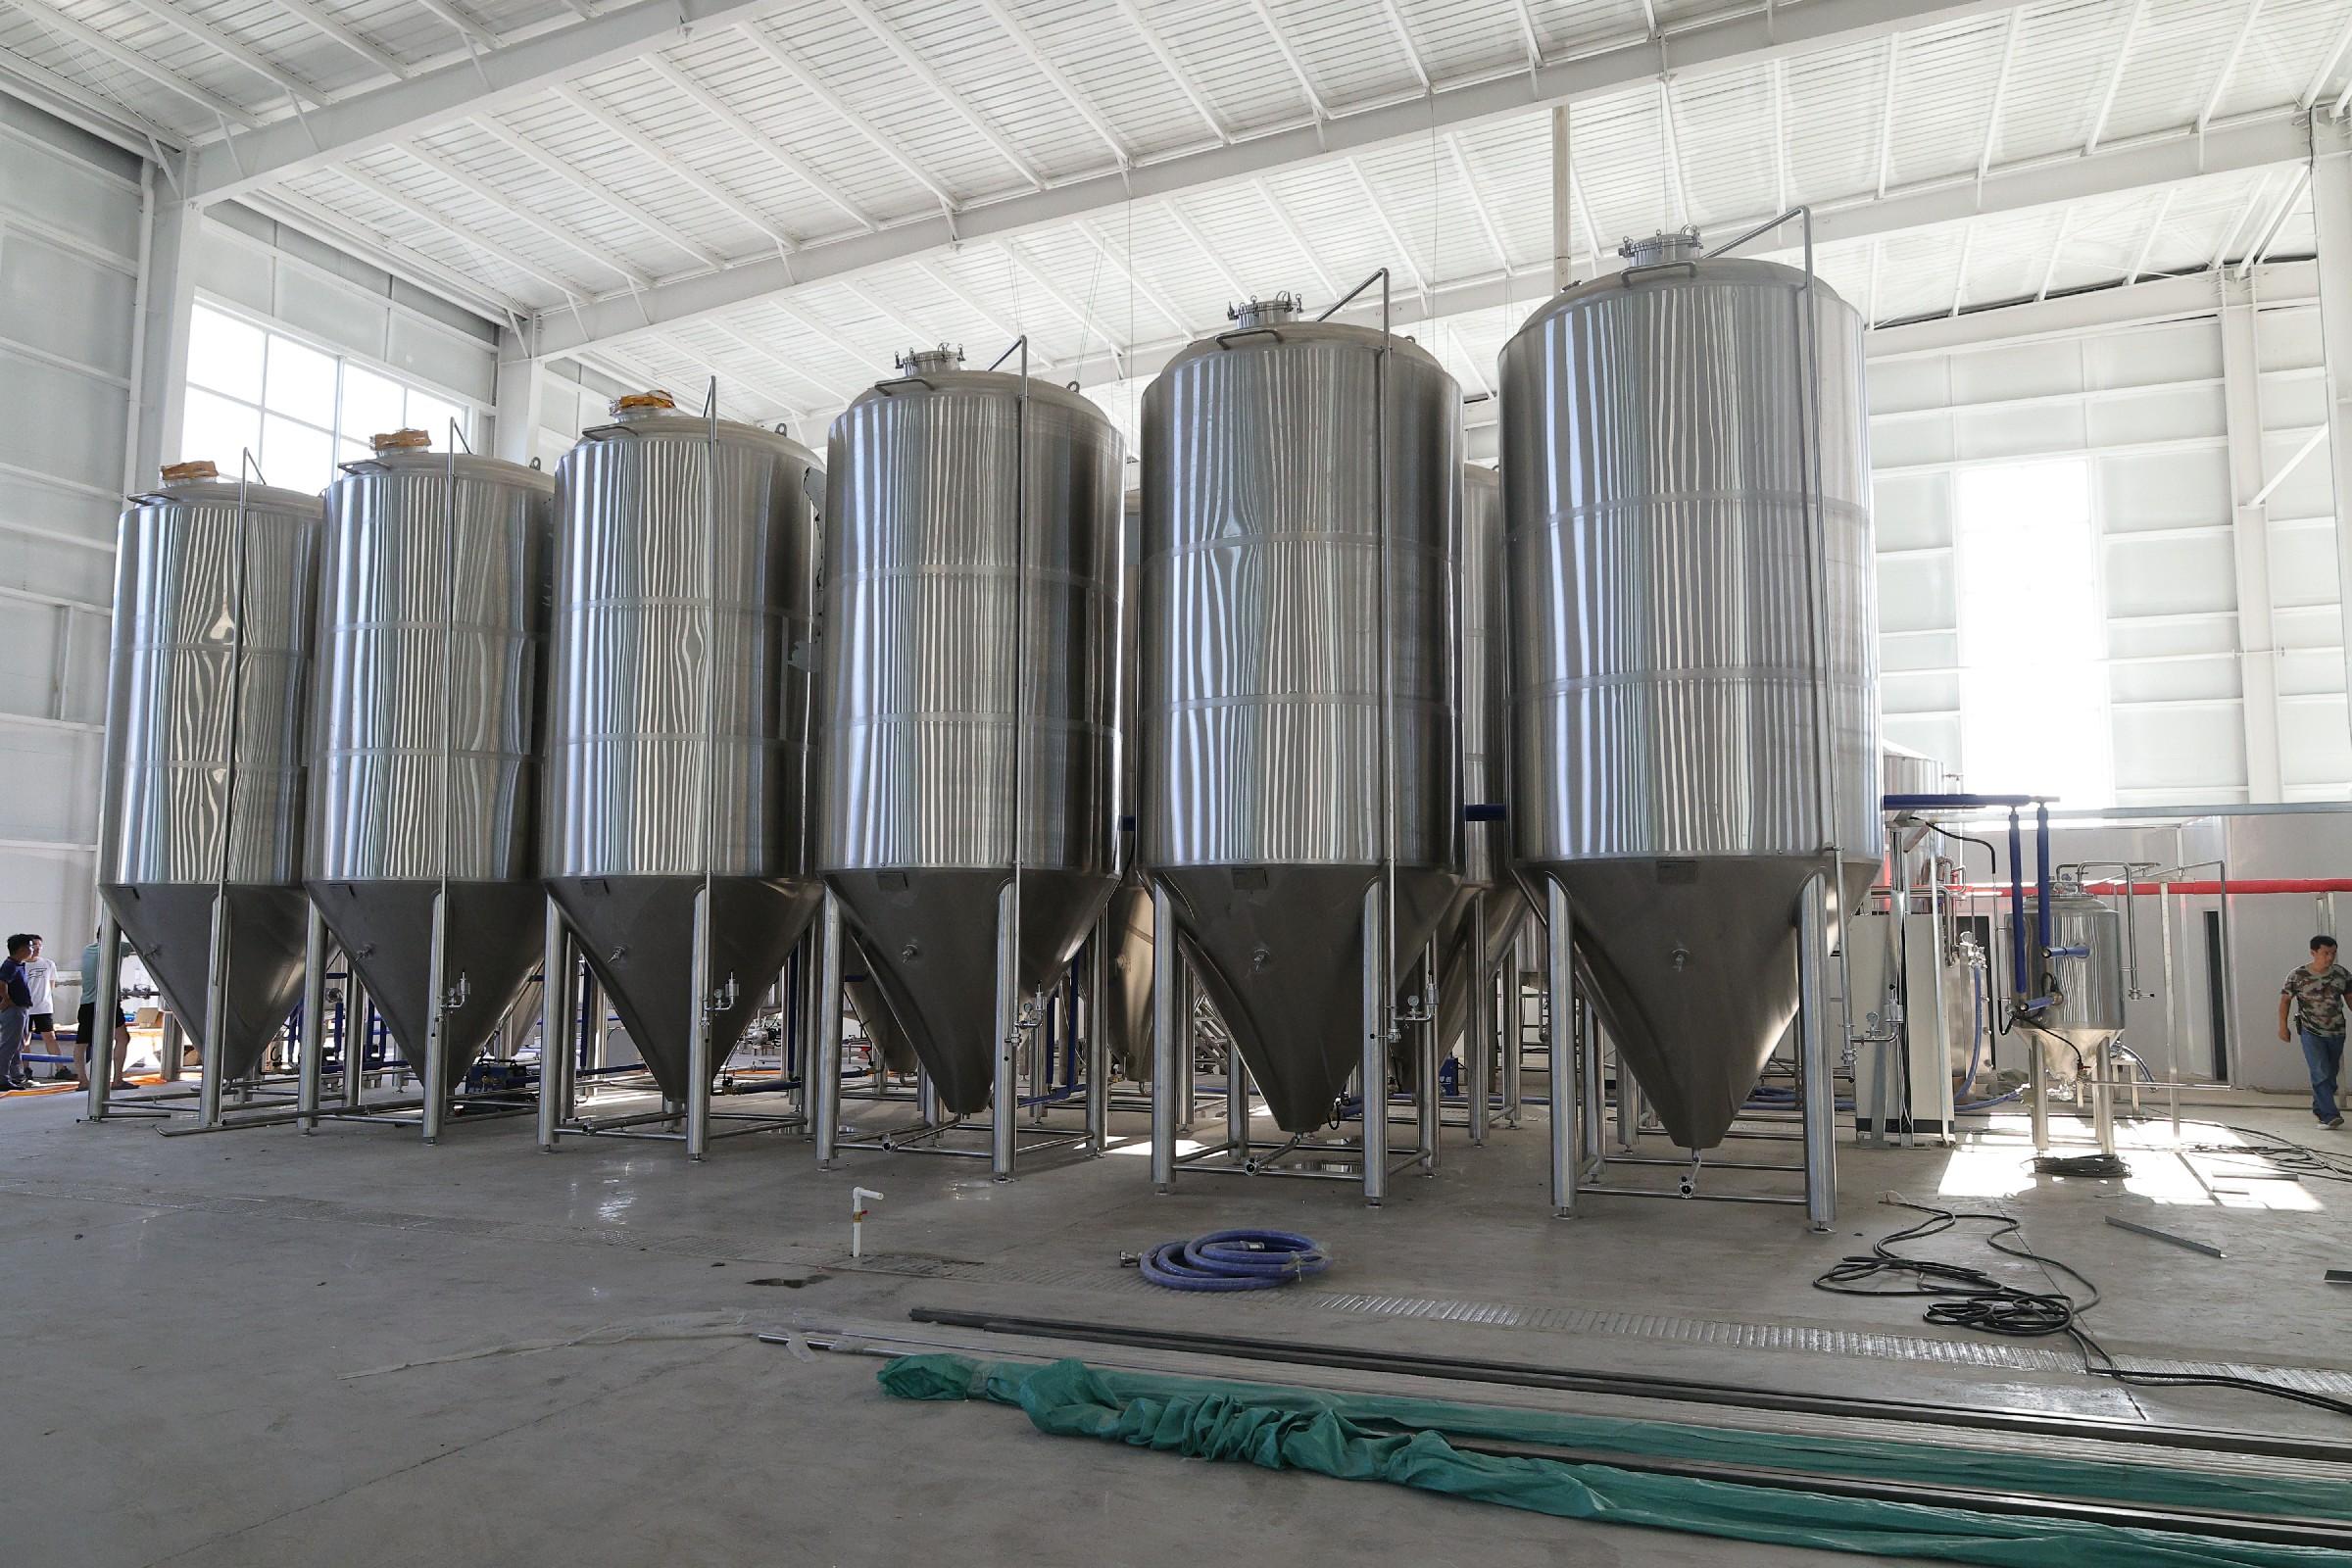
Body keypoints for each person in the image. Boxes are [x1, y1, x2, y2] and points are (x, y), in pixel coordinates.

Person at [2278, 934, 2350, 1129]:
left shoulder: (2341, 974)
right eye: (2325, 953)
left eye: (2333, 953)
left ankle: (2320, 1107)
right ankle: (2329, 1115)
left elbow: (2350, 999)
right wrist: (2283, 1026)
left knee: (2330, 1073)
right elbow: (2285, 1001)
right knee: (2320, 1071)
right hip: (2311, 1031)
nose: (2330, 957)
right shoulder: (2298, 976)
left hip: (2336, 1031)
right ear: (2313, 952)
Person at [76, 928, 134, 1091]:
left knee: (82, 1042)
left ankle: (83, 1081)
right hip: (108, 1001)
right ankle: (117, 1080)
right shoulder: (118, 947)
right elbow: (143, 946)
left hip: (86, 1002)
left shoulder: (87, 950)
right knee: (122, 1038)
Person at [22, 934, 64, 1084]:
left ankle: (61, 1068)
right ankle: (25, 1070)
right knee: (25, 1039)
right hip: (26, 1008)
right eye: (34, 945)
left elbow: (51, 985)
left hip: (44, 1007)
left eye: (39, 945)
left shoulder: (49, 964)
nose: (37, 948)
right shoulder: (21, 965)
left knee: (50, 1037)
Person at [1, 934, 32, 1092]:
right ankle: (2, 1078)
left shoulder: (18, 965)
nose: (33, 949)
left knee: (18, 1045)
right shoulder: (10, 965)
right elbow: (2, 983)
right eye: (30, 946)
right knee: (9, 1045)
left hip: (22, 1009)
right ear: (21, 949)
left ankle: (15, 1076)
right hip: (14, 1010)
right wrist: (7, 999)